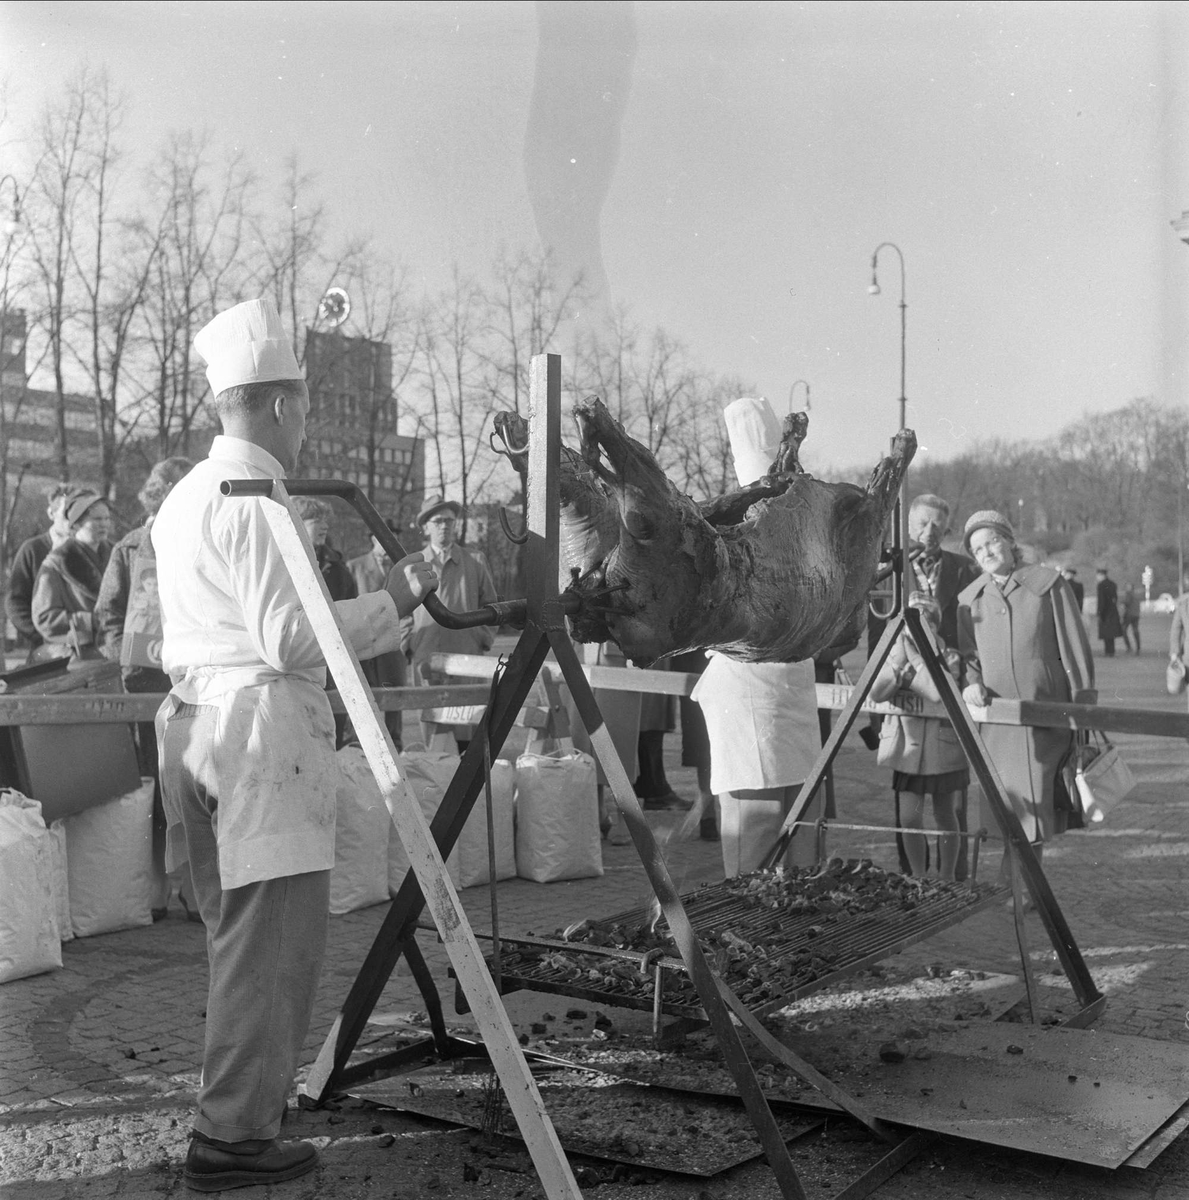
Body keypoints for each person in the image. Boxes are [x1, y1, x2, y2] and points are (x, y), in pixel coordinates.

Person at [151, 297, 438, 1190]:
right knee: (270, 951)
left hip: (195, 727)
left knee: (238, 943)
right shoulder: (254, 495)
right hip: (256, 739)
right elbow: (288, 636)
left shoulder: (184, 497)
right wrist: (399, 599)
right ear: (278, 405)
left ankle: (233, 1114)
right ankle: (233, 1139)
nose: (307, 422)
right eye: (306, 405)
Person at [690, 397, 825, 876]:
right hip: (746, 687)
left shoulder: (809, 529)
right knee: (757, 825)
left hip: (794, 683)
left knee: (801, 822)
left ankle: (800, 931)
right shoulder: (724, 531)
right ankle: (753, 932)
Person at [958, 510, 1096, 867]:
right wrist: (971, 683)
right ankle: (1019, 884)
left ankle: (1020, 886)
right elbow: (969, 658)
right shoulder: (969, 600)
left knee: (1035, 805)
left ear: (1009, 541)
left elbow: (1075, 651)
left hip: (1046, 715)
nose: (986, 552)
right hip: (998, 724)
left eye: (992, 541)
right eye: (977, 549)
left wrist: (1082, 710)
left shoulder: (1048, 585)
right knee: (1007, 804)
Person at [95, 456, 194, 921]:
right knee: (150, 783)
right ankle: (152, 889)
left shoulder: (198, 536)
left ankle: (195, 889)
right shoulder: (129, 547)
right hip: (142, 680)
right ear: (158, 492)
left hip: (192, 677)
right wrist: (125, 653)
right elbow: (109, 611)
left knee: (194, 782)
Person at [890, 493, 980, 879]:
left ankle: (951, 878)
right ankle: (912, 876)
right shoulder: (892, 568)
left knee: (949, 804)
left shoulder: (964, 569)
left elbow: (973, 632)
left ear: (946, 530)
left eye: (937, 526)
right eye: (922, 524)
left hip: (948, 689)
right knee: (907, 808)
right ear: (910, 525)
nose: (929, 532)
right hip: (905, 692)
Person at [870, 593, 967, 880]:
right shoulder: (894, 654)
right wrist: (899, 661)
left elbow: (937, 693)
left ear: (935, 625)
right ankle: (917, 875)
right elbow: (876, 693)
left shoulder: (949, 656)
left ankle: (947, 875)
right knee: (910, 817)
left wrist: (914, 659)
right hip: (907, 748)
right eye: (912, 619)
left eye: (925, 619)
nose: (917, 626)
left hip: (942, 747)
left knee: (945, 814)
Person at [403, 495, 499, 753]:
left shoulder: (475, 560)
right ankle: (438, 787)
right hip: (426, 655)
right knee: (434, 734)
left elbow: (492, 605)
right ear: (425, 527)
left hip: (466, 656)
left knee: (468, 728)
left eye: (449, 520)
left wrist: (482, 637)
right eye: (438, 521)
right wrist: (409, 642)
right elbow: (401, 610)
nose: (445, 526)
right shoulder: (413, 564)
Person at [292, 496, 357, 747]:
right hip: (297, 667)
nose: (324, 525)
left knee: (332, 739)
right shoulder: (281, 563)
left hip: (334, 671)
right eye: (315, 520)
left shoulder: (338, 569)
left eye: (325, 520)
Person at [29, 490, 113, 662]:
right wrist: (88, 620)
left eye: (106, 518)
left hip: (116, 647)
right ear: (75, 525)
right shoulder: (56, 564)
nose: (104, 524)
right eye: (96, 519)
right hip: (79, 654)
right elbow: (44, 618)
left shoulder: (116, 556)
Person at [6, 484, 87, 659]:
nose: (73, 519)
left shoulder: (90, 550)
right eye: (66, 513)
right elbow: (15, 603)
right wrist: (41, 637)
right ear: (51, 513)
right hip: (47, 649)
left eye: (79, 512)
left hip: (88, 644)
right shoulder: (33, 549)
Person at [349, 520, 408, 751]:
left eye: (392, 537)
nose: (386, 542)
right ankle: (363, 747)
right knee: (364, 697)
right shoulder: (354, 567)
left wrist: (407, 639)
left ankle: (396, 746)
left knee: (394, 697)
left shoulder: (402, 569)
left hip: (393, 647)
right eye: (382, 536)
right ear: (372, 538)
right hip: (363, 646)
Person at [1095, 566, 1122, 657]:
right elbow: (1115, 598)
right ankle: (1111, 651)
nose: (1097, 577)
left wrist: (1099, 612)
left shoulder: (1101, 585)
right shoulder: (1112, 584)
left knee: (1106, 633)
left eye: (1098, 575)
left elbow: (1101, 600)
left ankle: (1108, 651)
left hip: (1105, 612)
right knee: (1111, 634)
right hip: (1113, 611)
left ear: (1101, 575)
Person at [1120, 582, 1141, 654]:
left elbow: (1127, 602)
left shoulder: (1128, 594)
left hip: (1129, 615)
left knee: (1123, 630)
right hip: (1136, 615)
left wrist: (1121, 602)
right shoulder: (1136, 595)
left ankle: (1129, 647)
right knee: (1135, 631)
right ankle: (1138, 647)